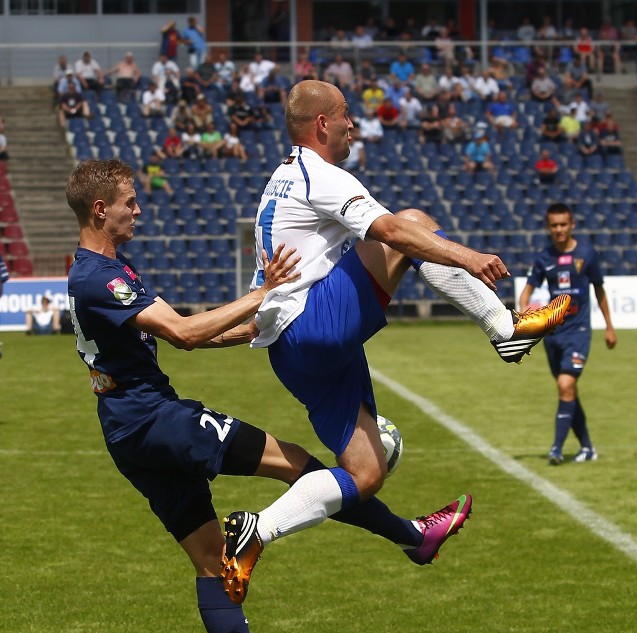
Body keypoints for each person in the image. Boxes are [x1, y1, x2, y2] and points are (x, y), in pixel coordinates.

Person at [218, 80, 571, 599]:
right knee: (415, 222)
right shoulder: (320, 175)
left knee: (365, 473)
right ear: (321, 124)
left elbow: (265, 301)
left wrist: (196, 338)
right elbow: (394, 234)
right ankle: (506, 330)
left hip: (294, 354)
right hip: (317, 327)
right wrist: (467, 256)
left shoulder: (279, 183)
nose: (352, 125)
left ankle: (256, 533)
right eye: (344, 116)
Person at [64, 157, 323, 633]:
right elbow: (182, 332)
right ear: (101, 209)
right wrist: (264, 292)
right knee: (308, 469)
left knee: (213, 564)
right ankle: (409, 533)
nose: (139, 208)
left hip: (130, 431)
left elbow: (180, 333)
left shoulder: (109, 268)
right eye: (131, 201)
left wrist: (243, 333)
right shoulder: (97, 276)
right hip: (155, 421)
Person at [519, 203, 616, 464]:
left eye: (563, 224)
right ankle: (587, 448)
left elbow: (600, 290)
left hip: (579, 332)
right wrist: (526, 314)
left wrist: (609, 326)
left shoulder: (587, 254)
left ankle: (556, 450)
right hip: (554, 335)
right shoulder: (544, 258)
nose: (559, 229)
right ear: (548, 227)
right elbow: (526, 293)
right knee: (568, 392)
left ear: (572, 224)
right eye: (554, 225)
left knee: (565, 385)